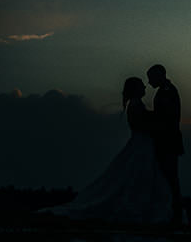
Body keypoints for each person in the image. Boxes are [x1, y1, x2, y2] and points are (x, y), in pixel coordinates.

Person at [46, 77, 173, 224]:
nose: (145, 88)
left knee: (139, 175)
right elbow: (140, 124)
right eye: (142, 86)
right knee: (137, 175)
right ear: (136, 89)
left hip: (141, 143)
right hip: (141, 143)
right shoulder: (136, 104)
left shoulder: (136, 104)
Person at [146, 64, 185, 225]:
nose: (149, 82)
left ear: (159, 76)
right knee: (167, 178)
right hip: (167, 140)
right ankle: (171, 212)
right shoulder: (164, 91)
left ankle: (175, 214)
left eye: (151, 78)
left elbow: (167, 117)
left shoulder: (167, 91)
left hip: (168, 140)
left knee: (170, 178)